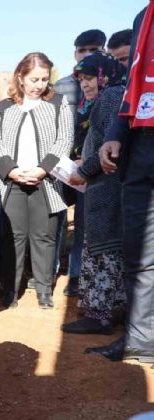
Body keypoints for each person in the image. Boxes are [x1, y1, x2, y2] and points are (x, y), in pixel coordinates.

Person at [89, 4, 154, 363]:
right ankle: (141, 340)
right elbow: (135, 79)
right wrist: (115, 132)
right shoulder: (143, 17)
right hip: (141, 147)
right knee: (138, 255)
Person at [0, 52, 74, 309]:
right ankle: (10, 292)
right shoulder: (5, 107)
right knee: (12, 237)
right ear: (21, 78)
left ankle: (44, 292)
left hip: (45, 183)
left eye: (44, 79)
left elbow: (64, 141)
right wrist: (11, 171)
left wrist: (41, 170)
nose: (39, 85)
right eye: (34, 79)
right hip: (12, 182)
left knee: (44, 237)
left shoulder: (59, 103)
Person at [60, 52, 127, 335]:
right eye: (82, 79)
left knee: (104, 251)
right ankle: (110, 310)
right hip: (104, 187)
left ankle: (99, 314)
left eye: (89, 78)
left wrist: (82, 172)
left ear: (103, 74)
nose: (85, 84)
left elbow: (106, 145)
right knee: (106, 248)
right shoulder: (106, 98)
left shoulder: (111, 96)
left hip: (107, 188)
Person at [53, 29, 106, 297]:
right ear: (74, 53)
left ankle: (77, 275)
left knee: (85, 223)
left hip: (93, 167)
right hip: (61, 167)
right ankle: (51, 271)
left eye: (93, 49)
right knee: (56, 219)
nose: (87, 54)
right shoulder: (61, 86)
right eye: (82, 50)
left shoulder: (111, 87)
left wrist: (88, 160)